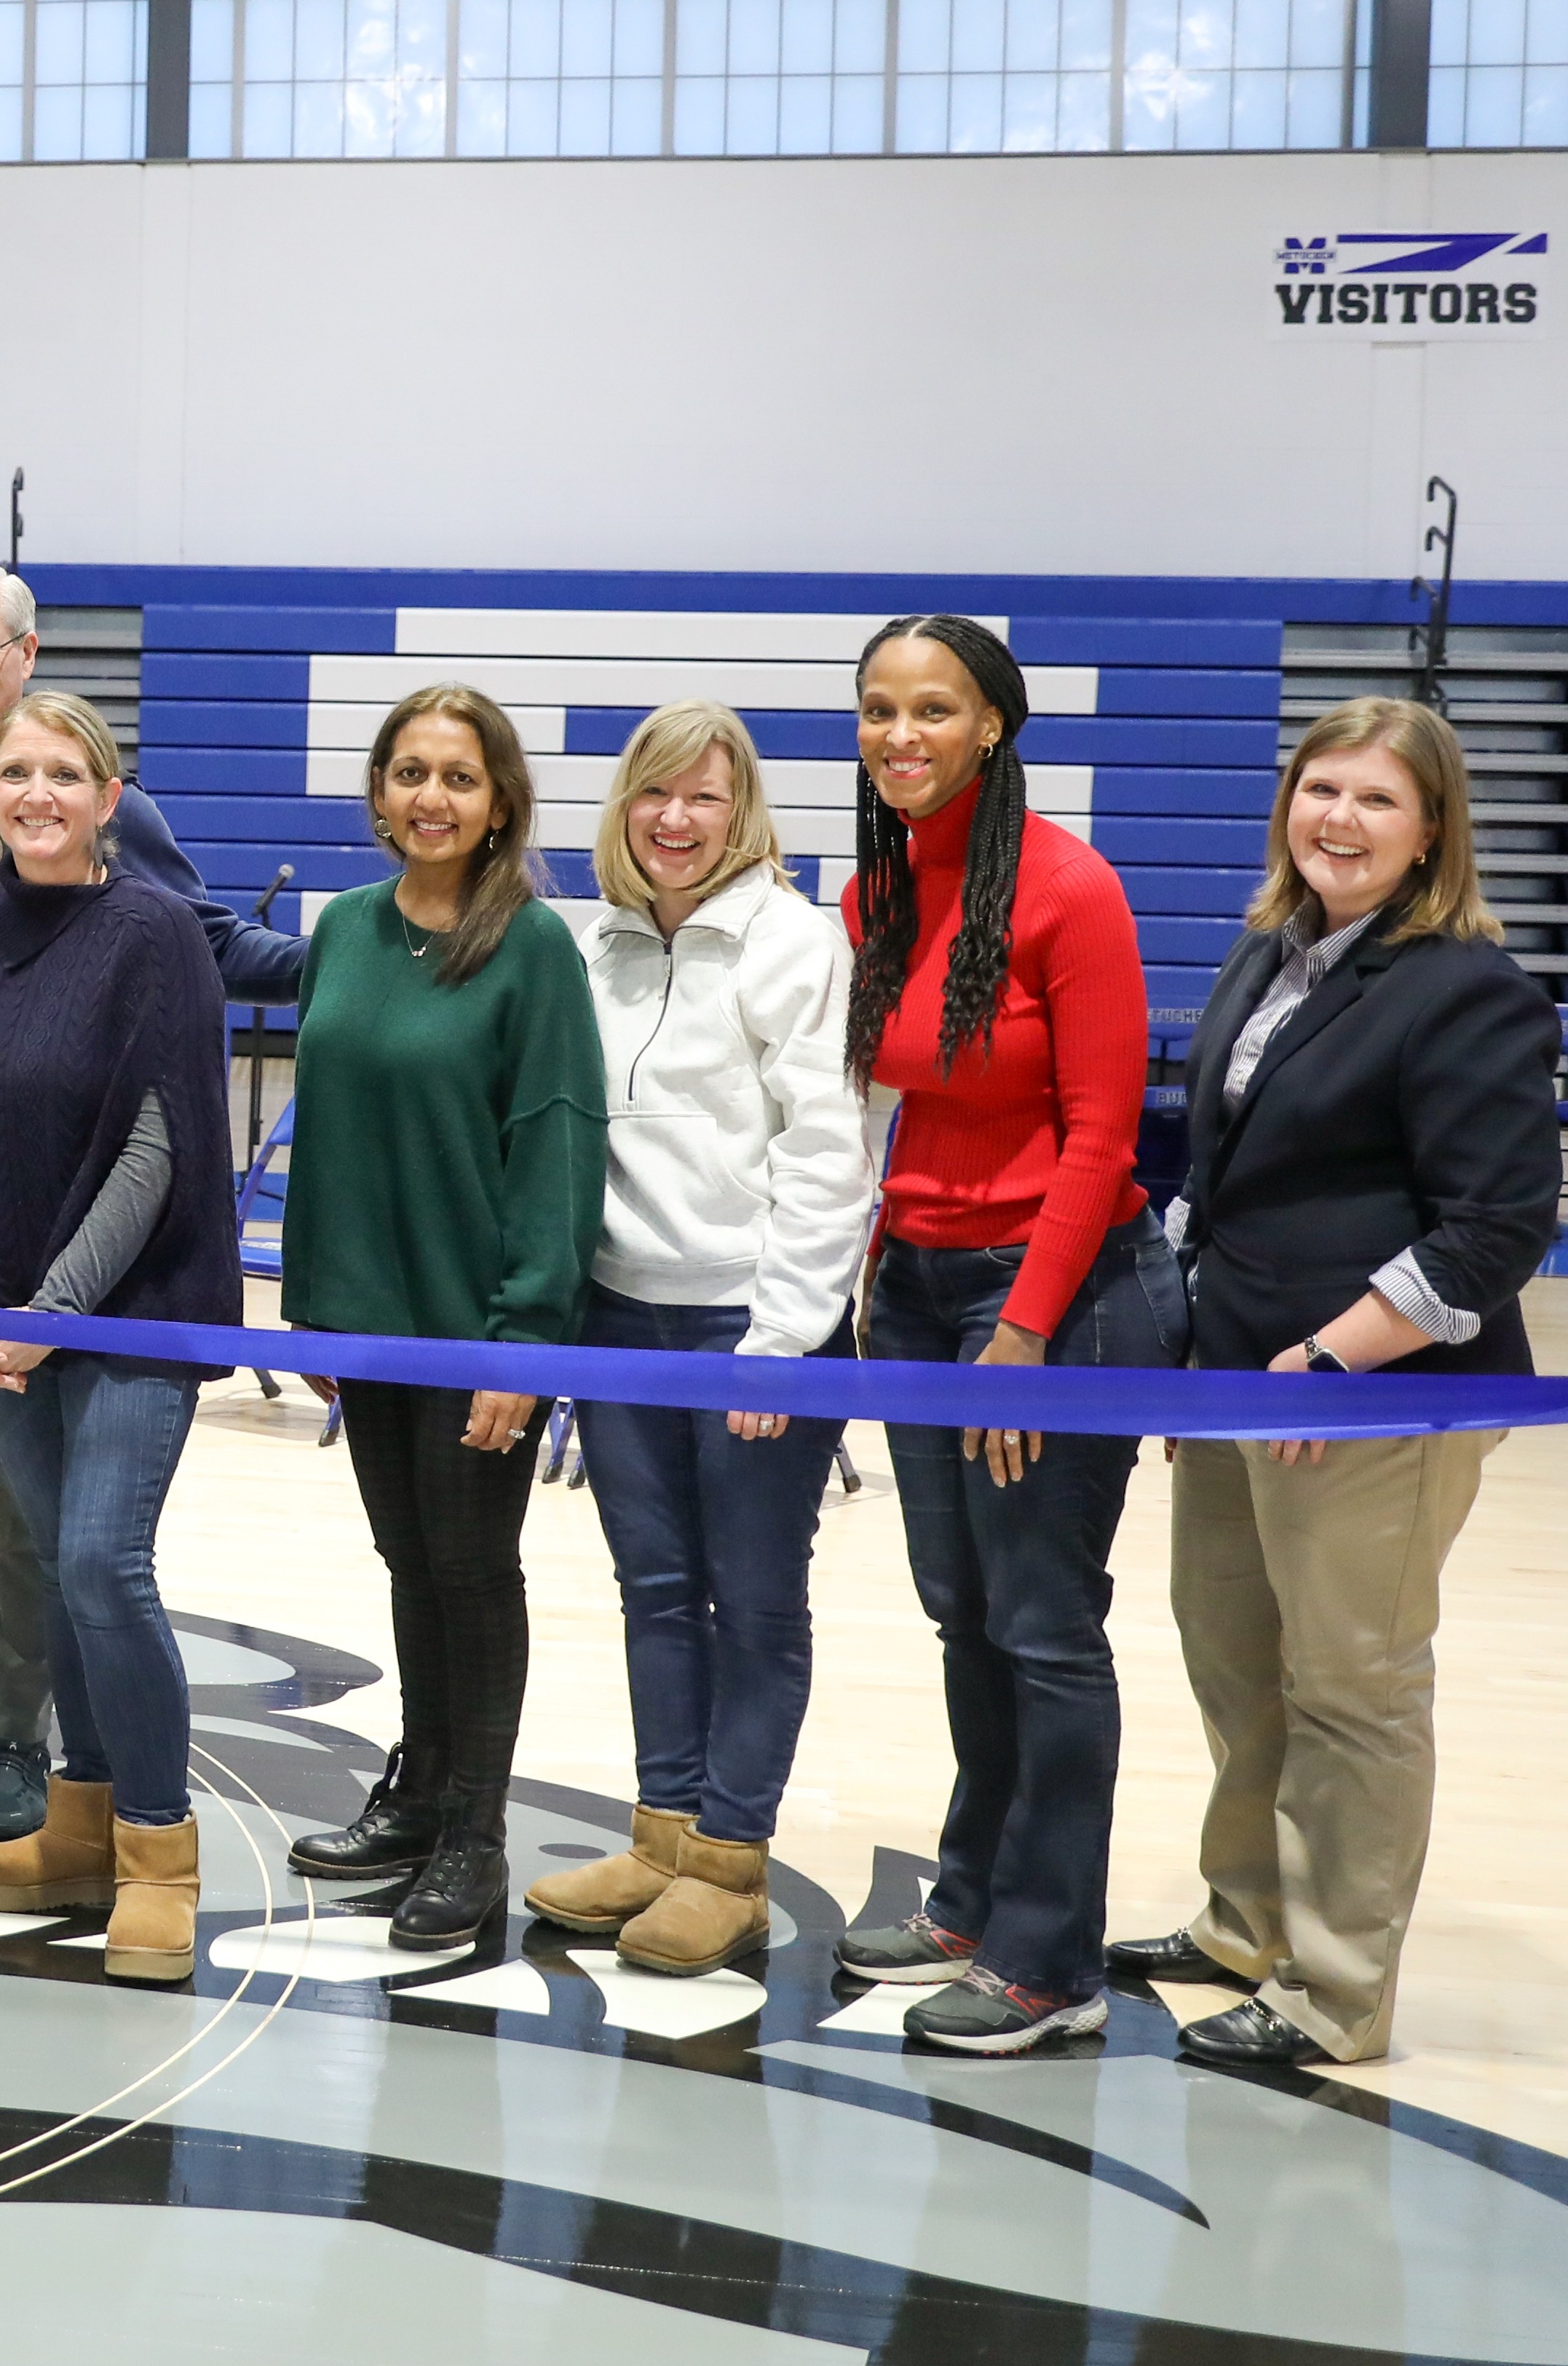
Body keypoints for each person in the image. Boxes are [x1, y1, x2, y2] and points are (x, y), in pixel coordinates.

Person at [0, 561, 305, 1845]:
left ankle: (33, 1745)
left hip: (51, 1229)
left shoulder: (118, 854)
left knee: (53, 1529)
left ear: (27, 658)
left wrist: (366, 953)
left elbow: (202, 957)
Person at [1110, 697, 1559, 2068]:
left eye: (1374, 798)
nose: (1338, 820)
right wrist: (1199, 1361)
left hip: (1367, 1401)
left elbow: (1496, 1223)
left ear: (1431, 832)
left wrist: (1330, 1356)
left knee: (1349, 1690)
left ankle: (1335, 1989)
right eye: (1320, 789)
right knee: (1239, 1663)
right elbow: (1221, 1177)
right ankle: (1245, 1920)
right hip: (1240, 1390)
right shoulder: (1269, 953)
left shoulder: (1467, 987)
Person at [828, 614, 1177, 2057]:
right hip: (917, 1289)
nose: (902, 737)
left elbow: (1103, 1132)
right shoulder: (878, 894)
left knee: (1042, 1626)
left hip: (1063, 1295)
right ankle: (970, 1898)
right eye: (879, 711)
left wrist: (1026, 1328)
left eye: (934, 711)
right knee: (962, 1610)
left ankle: (1052, 1958)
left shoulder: (1068, 889)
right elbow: (891, 1112)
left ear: (993, 726)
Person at [0, 692, 242, 1982]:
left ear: (108, 796)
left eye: (63, 773)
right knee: (50, 1568)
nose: (36, 792)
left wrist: (53, 1312)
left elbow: (159, 1135)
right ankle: (80, 1815)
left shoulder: (153, 931)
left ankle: (159, 1847)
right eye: (13, 771)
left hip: (133, 1310)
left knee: (102, 1562)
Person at [521, 703, 870, 1974]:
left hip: (750, 1323)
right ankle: (661, 1835)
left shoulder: (791, 941)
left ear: (743, 811)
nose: (675, 819)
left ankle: (729, 1857)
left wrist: (781, 1336)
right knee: (655, 1590)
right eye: (652, 795)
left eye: (703, 797)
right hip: (621, 1320)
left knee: (756, 1600)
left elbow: (828, 1152)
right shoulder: (596, 945)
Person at [277, 684, 604, 1951]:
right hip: (368, 1325)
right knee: (410, 1561)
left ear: (500, 802)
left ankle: (475, 1824)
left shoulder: (533, 948)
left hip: (477, 1331)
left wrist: (522, 1338)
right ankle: (418, 1789)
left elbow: (554, 1155)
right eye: (408, 771)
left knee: (472, 1570)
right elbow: (325, 1137)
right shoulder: (345, 929)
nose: (430, 796)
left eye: (458, 776)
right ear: (377, 794)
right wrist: (309, 1314)